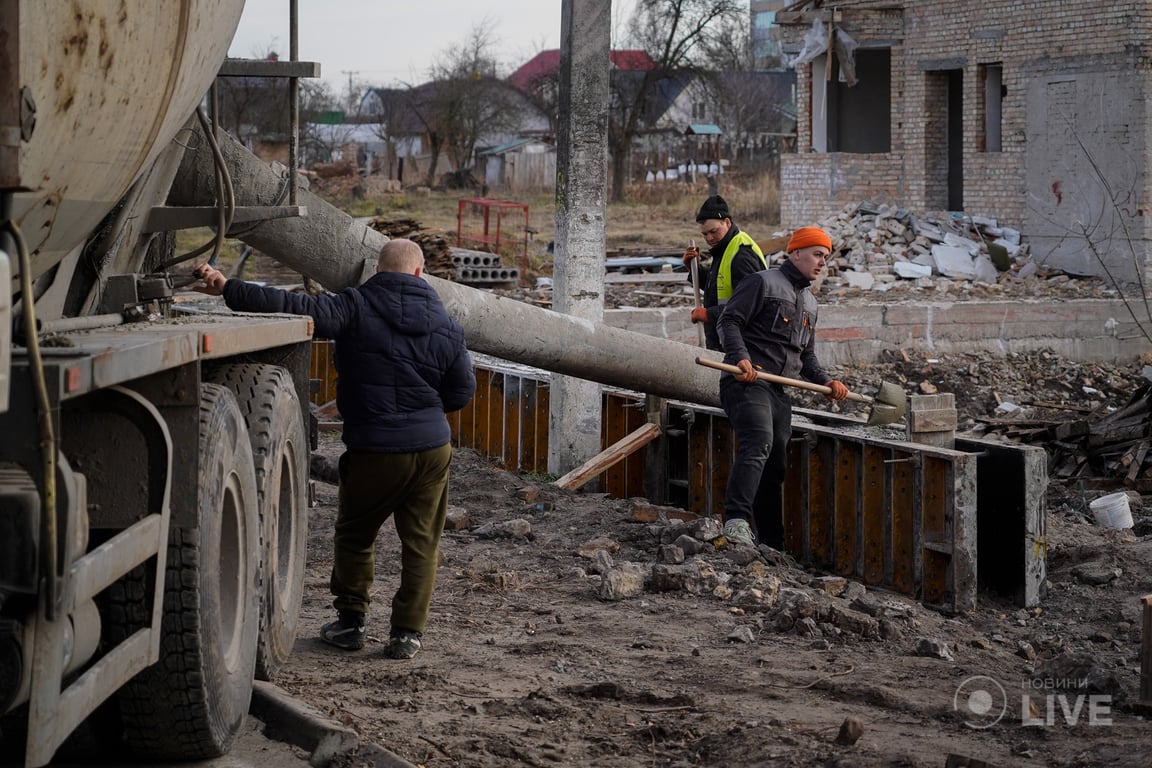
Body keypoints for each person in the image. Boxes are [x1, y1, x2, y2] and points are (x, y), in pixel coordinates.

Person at [193, 238, 476, 659]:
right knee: (421, 544)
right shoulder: (447, 325)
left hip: (374, 448)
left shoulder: (355, 306)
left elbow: (292, 306)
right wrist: (423, 411)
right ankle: (406, 634)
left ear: (378, 270)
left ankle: (351, 623)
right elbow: (461, 393)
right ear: (421, 273)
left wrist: (228, 287)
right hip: (432, 449)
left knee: (356, 536)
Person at [714, 226, 849, 549]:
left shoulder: (810, 303)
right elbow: (729, 321)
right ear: (796, 253)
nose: (822, 263)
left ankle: (772, 544)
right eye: (817, 255)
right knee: (759, 441)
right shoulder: (762, 282)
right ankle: (736, 521)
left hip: (778, 390)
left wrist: (827, 382)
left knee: (775, 464)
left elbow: (806, 357)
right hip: (747, 383)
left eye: (826, 257)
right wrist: (741, 358)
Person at [682, 194, 768, 351]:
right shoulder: (724, 248)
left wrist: (709, 314)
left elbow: (749, 303)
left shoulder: (741, 254)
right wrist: (693, 269)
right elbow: (718, 287)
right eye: (705, 234)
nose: (709, 238)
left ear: (727, 222)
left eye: (713, 231)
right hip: (729, 341)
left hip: (744, 345)